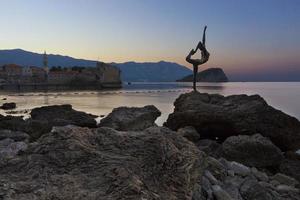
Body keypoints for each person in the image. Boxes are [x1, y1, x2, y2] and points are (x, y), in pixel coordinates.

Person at [186, 26, 210, 91]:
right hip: (199, 61)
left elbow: (202, 41)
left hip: (202, 60)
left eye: (201, 47)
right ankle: (194, 87)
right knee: (195, 73)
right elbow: (202, 40)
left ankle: (191, 53)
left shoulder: (204, 50)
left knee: (188, 59)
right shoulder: (203, 49)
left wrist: (195, 51)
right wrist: (204, 31)